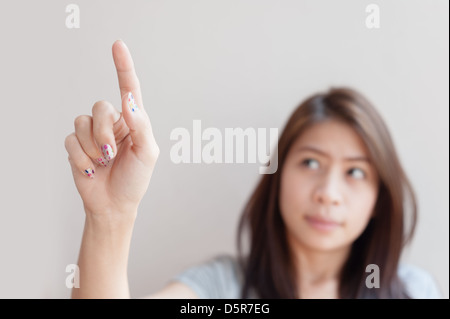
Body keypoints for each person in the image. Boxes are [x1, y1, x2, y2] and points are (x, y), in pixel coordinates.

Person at [64, 40, 442, 299]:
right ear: (277, 178)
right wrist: (110, 217)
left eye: (355, 172)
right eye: (310, 162)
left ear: (380, 198)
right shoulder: (222, 287)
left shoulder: (414, 290)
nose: (328, 192)